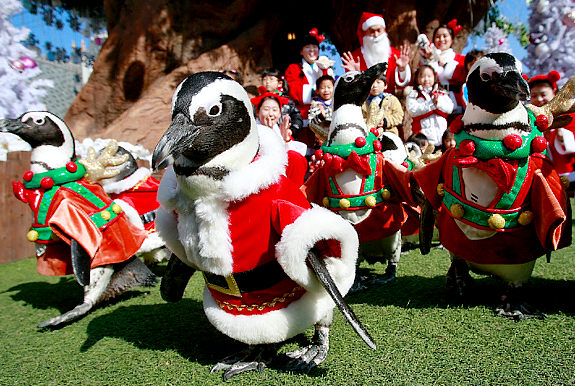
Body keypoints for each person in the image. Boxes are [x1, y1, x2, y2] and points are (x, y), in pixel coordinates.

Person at [284, 28, 332, 151]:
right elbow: (295, 92)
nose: (312, 50)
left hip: (325, 114)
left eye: (314, 47)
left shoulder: (324, 67)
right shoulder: (293, 68)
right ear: (301, 51)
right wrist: (318, 91)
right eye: (307, 47)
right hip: (303, 114)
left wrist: (325, 71)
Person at [341, 12, 411, 95]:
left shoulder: (395, 55)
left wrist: (402, 70)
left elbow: (403, 87)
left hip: (389, 104)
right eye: (372, 31)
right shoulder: (355, 58)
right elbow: (349, 90)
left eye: (379, 30)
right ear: (365, 32)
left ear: (384, 30)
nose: (376, 35)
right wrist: (354, 75)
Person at [528, 71, 575, 193]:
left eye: (543, 94)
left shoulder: (571, 117)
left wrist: (561, 136)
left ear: (555, 93)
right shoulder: (529, 121)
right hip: (543, 182)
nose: (539, 100)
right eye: (534, 96)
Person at [251, 92, 308, 185]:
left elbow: (294, 158)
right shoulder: (252, 131)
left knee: (296, 158)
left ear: (280, 113)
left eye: (274, 110)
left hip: (281, 178)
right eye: (266, 109)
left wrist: (286, 139)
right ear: (258, 112)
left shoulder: (281, 131)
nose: (271, 114)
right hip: (260, 178)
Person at [419, 19, 466, 114]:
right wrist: (429, 61)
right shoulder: (428, 60)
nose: (441, 39)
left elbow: (463, 77)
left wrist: (444, 64)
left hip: (458, 105)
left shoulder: (461, 59)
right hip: (435, 107)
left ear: (452, 38)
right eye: (437, 37)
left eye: (445, 36)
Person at [406, 65, 454, 150]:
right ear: (417, 78)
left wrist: (438, 103)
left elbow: (450, 108)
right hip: (423, 139)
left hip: (441, 137)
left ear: (434, 77)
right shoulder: (414, 95)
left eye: (429, 76)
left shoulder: (441, 92)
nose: (426, 79)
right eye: (422, 76)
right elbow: (412, 111)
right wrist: (431, 104)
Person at [259, 67, 304, 139]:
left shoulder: (286, 101)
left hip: (283, 136)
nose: (267, 82)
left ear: (280, 83)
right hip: (263, 135)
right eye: (264, 79)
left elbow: (297, 117)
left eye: (271, 79)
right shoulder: (259, 100)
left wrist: (292, 130)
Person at [361, 73, 403, 137]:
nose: (374, 85)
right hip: (368, 134)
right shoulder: (363, 102)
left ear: (385, 85)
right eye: (372, 83)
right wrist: (370, 122)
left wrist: (385, 122)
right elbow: (360, 118)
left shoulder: (392, 100)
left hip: (389, 132)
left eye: (378, 82)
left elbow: (399, 116)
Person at [308, 75, 335, 144]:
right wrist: (320, 116)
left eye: (329, 87)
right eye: (322, 88)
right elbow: (311, 124)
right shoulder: (315, 105)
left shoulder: (338, 103)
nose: (326, 90)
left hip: (336, 136)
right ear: (317, 91)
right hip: (321, 139)